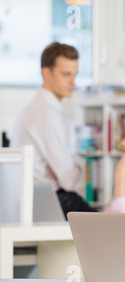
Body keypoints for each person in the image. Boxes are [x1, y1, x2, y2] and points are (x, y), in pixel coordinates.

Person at [11, 42, 96, 218]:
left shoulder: (36, 108)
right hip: (51, 201)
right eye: (66, 75)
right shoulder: (46, 113)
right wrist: (78, 164)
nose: (73, 82)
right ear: (46, 73)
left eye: (75, 75)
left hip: (37, 199)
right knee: (110, 229)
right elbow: (69, 180)